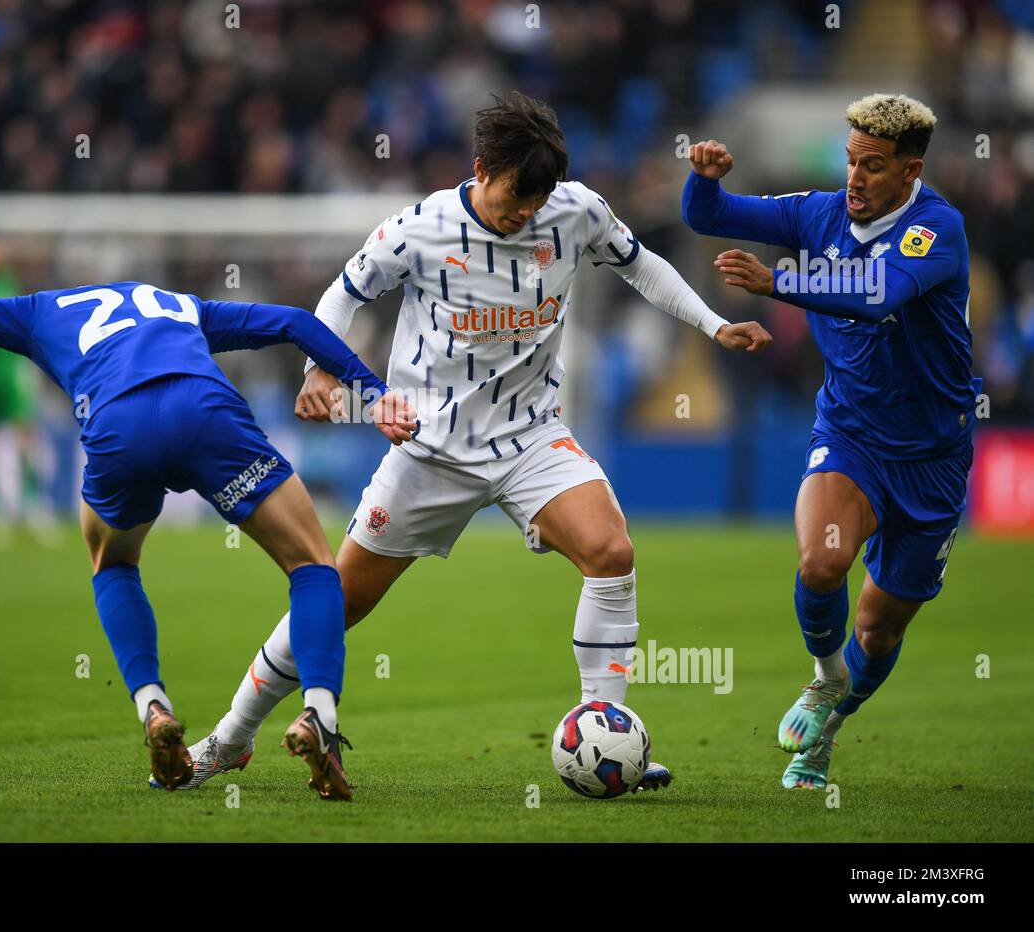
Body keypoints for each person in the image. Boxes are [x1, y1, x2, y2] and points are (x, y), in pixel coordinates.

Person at [183, 92, 772, 791]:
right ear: (480, 169)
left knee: (611, 551)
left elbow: (640, 264)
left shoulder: (576, 211)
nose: (524, 212)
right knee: (336, 601)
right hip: (430, 451)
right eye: (513, 197)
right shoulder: (421, 228)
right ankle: (228, 738)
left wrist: (712, 325)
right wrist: (318, 369)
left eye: (536, 199)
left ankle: (606, 733)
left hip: (529, 438)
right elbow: (343, 295)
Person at [0, 282, 416, 801]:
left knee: (113, 560)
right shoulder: (179, 305)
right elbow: (296, 323)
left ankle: (152, 706)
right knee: (311, 565)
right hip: (204, 413)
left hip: (117, 428)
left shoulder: (38, 311)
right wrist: (374, 392)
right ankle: (318, 715)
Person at [682, 93, 977, 788]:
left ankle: (829, 730)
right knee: (821, 563)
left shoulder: (937, 229)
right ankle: (823, 680)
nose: (855, 178)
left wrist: (778, 280)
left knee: (879, 628)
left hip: (933, 457)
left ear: (910, 171)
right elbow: (710, 217)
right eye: (850, 161)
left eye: (872, 166)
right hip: (850, 434)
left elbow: (878, 293)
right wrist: (705, 177)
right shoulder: (819, 213)